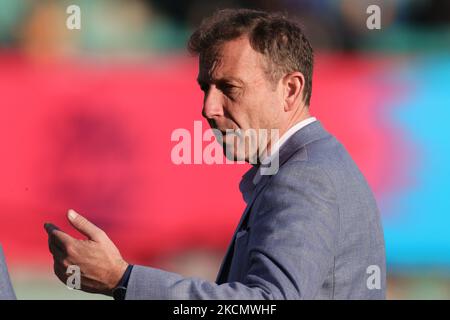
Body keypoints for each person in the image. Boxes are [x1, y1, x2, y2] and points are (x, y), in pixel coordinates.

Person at [44, 9, 386, 299]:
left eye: (229, 88)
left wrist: (123, 279)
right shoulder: (309, 165)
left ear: (290, 90)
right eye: (205, 87)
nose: (208, 108)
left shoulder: (305, 177)